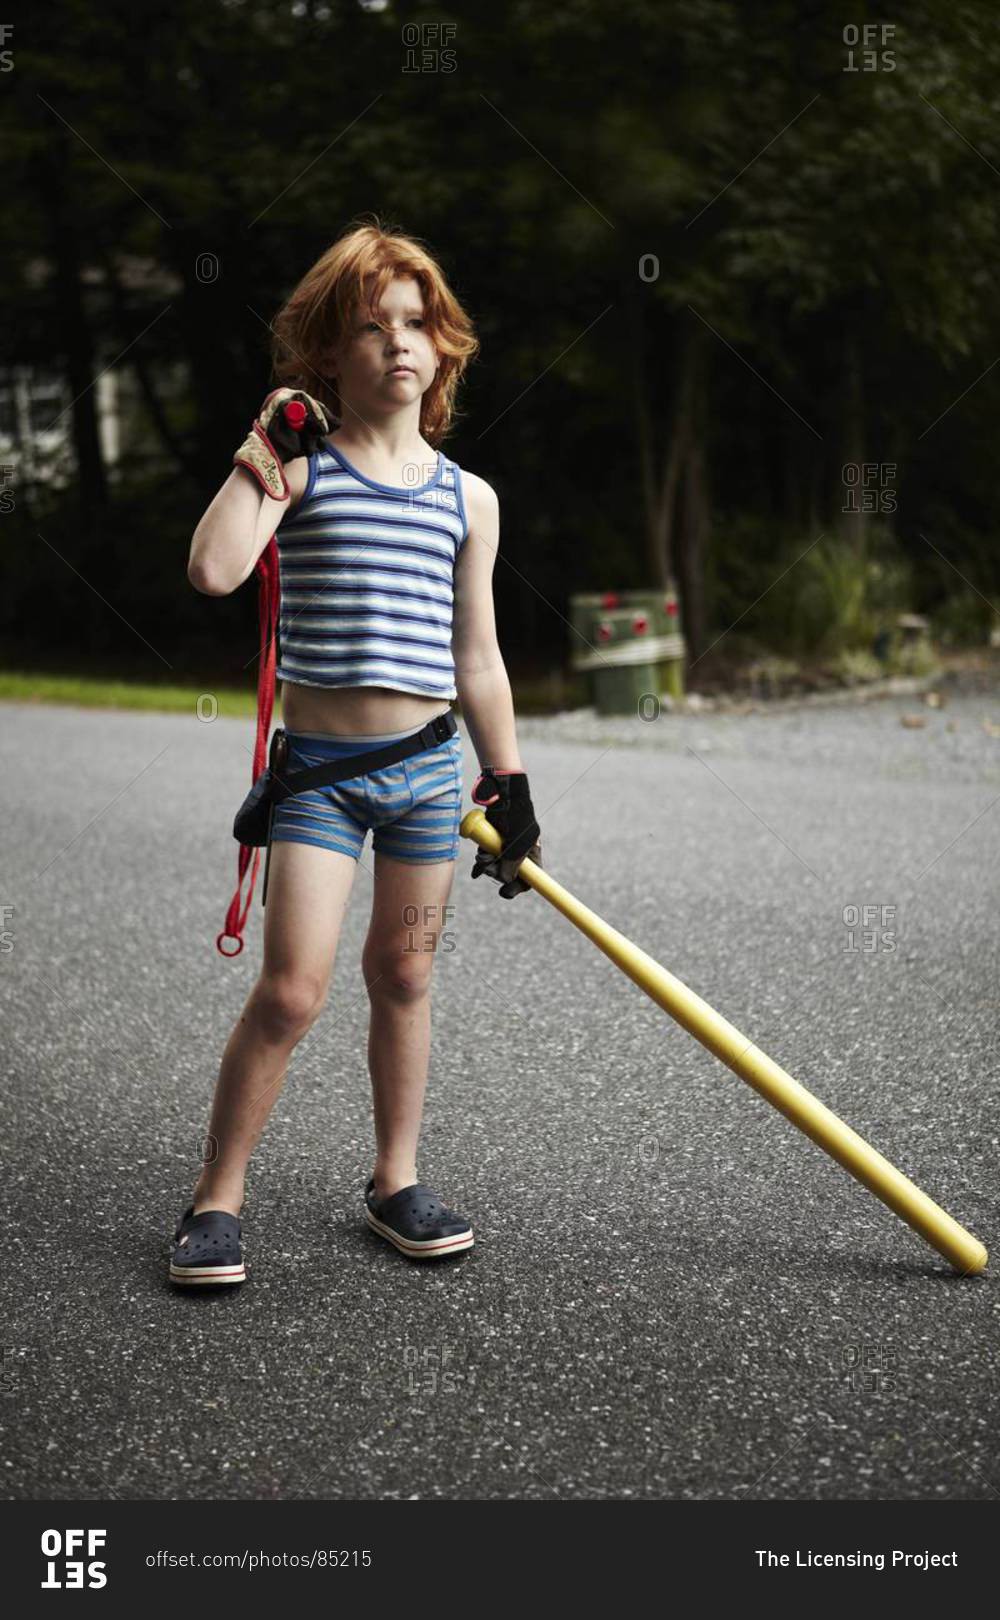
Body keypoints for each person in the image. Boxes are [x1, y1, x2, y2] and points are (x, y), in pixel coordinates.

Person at [172, 218, 541, 1285]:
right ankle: (216, 1198)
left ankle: (395, 1180)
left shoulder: (468, 498)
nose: (397, 344)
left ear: (444, 345)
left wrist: (507, 778)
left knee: (406, 970)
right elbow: (211, 570)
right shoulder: (301, 472)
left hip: (428, 777)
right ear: (327, 354)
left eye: (416, 323)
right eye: (370, 328)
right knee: (292, 990)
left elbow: (478, 657)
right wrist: (262, 448)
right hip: (322, 784)